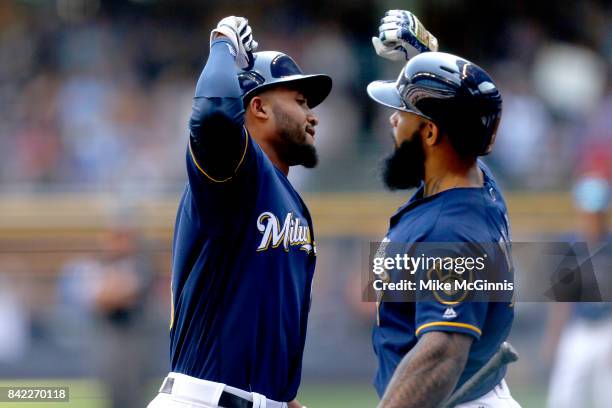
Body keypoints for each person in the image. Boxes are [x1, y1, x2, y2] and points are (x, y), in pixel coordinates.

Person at [147, 16, 332, 408]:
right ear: (259, 107)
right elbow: (213, 113)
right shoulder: (233, 172)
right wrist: (222, 44)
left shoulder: (290, 199)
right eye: (299, 102)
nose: (312, 115)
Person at [367, 10, 519, 408]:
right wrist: (424, 58)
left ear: (431, 133)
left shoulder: (448, 233)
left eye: (403, 111)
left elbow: (440, 355)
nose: (392, 119)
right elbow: (463, 118)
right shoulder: (475, 178)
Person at [543, 172, 612, 408]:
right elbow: (562, 298)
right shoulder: (571, 245)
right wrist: (554, 337)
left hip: (608, 327)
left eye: (597, 213)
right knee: (563, 398)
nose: (592, 218)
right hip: (580, 328)